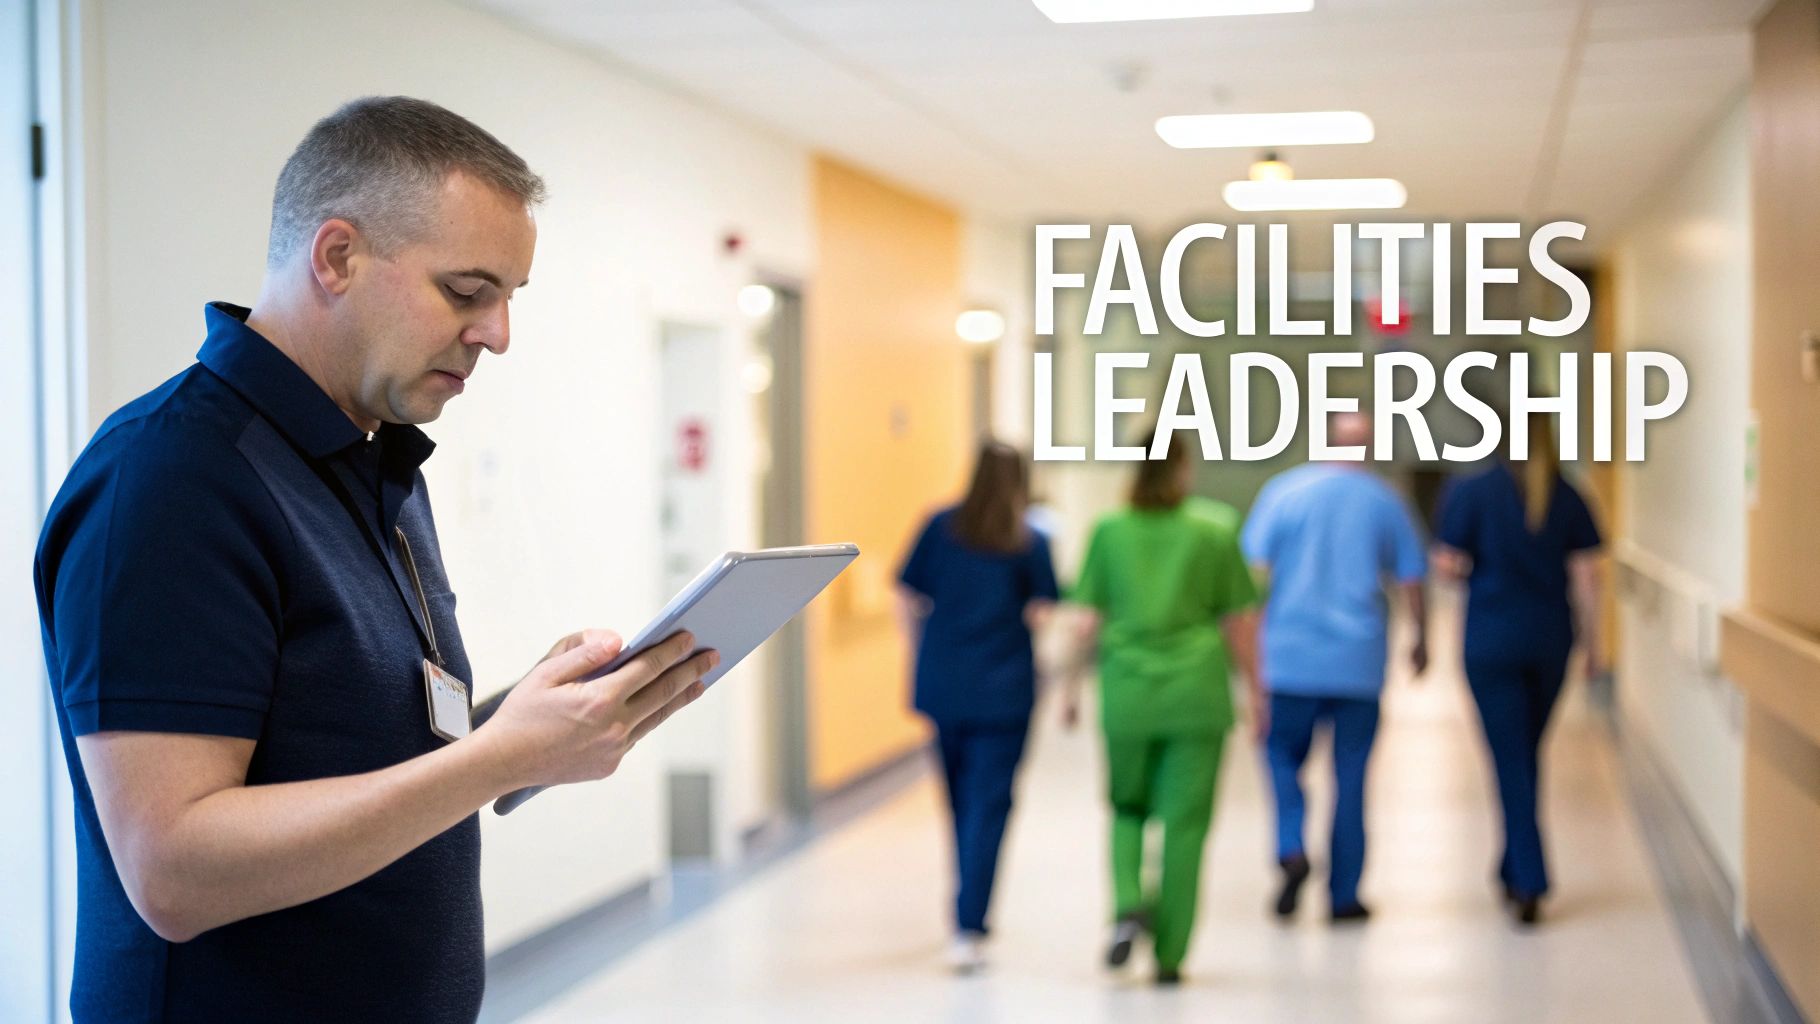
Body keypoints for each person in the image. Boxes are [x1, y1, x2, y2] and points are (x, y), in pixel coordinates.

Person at [33, 97, 716, 1022]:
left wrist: (523, 730)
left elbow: (354, 745)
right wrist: (486, 764)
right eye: (467, 292)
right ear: (337, 257)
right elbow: (173, 869)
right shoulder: (170, 479)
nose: (497, 334)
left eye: (510, 299)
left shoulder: (370, 453)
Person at [1064, 438, 1262, 986]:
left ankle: (1129, 902)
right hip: (1195, 697)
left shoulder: (1109, 531)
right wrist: (1257, 691)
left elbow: (1086, 618)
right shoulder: (1215, 529)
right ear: (1181, 468)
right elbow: (1239, 622)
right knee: (1186, 826)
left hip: (1127, 695)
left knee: (1127, 806)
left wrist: (1069, 691)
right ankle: (1171, 956)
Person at [1240, 412, 1428, 924]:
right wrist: (1421, 638)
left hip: (1290, 659)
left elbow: (1253, 579)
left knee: (1279, 754)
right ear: (1367, 447)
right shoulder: (1386, 501)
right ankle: (1344, 896)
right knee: (1351, 777)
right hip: (1358, 664)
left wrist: (1250, 656)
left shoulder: (1283, 493)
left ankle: (1291, 844)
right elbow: (1412, 577)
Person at [1433, 412, 1604, 926]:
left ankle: (1528, 879)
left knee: (1511, 756)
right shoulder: (1569, 495)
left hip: (1491, 641)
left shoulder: (1470, 493)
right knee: (1524, 752)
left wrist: (1475, 568)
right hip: (1550, 638)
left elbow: (1447, 564)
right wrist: (1595, 646)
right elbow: (1587, 576)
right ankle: (1511, 866)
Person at [897, 441, 1060, 974]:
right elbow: (1042, 609)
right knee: (989, 807)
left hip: (944, 683)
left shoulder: (939, 526)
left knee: (959, 803)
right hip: (1004, 692)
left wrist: (918, 652)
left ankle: (966, 910)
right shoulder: (1027, 540)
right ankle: (969, 922)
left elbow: (907, 594)